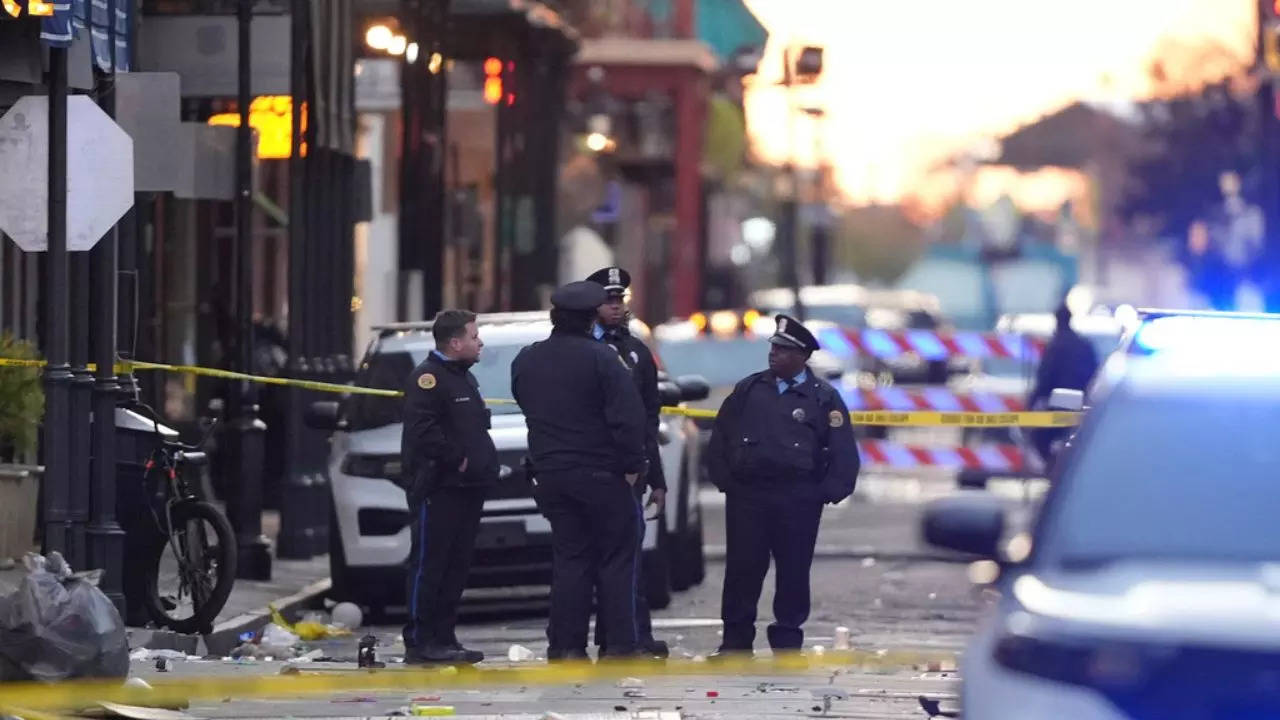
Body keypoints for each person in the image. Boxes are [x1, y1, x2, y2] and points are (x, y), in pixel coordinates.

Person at [706, 314, 861, 656]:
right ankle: (735, 642)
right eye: (773, 347)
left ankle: (787, 643)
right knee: (742, 570)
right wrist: (727, 481)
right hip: (750, 496)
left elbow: (842, 449)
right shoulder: (749, 389)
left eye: (783, 349)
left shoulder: (822, 397)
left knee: (793, 572)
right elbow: (721, 438)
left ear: (802, 356)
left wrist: (827, 492)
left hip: (798, 498)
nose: (774, 354)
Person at [511, 281, 649, 661]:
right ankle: (620, 645)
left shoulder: (527, 359)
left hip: (552, 475)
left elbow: (526, 403)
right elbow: (628, 418)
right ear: (591, 319)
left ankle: (566, 647)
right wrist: (634, 466)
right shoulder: (603, 359)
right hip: (601, 475)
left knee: (571, 560)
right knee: (616, 560)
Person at [398, 309, 498, 665]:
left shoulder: (462, 378)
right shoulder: (428, 378)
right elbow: (424, 432)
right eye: (473, 336)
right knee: (430, 564)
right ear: (454, 343)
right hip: (440, 488)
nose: (479, 341)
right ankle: (420, 641)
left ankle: (445, 638)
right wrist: (456, 458)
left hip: (468, 487)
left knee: (456, 565)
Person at [585, 266, 668, 658]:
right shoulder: (581, 347)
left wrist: (657, 477)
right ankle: (608, 637)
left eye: (620, 300)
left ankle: (634, 635)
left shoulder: (636, 351)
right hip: (590, 468)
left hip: (628, 471)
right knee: (593, 560)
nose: (615, 308)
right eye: (608, 301)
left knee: (629, 557)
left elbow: (648, 418)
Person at [1027, 303, 1099, 467]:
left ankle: (1055, 470)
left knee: (1041, 437)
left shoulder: (1056, 345)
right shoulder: (1083, 344)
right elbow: (1096, 373)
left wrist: (1031, 404)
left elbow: (1045, 378)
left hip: (1060, 403)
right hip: (1083, 403)